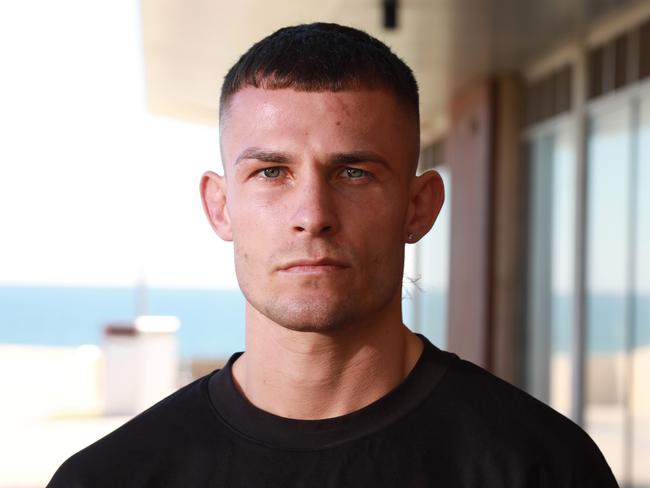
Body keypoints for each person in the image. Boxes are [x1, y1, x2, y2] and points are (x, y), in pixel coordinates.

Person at [47, 23, 618, 487]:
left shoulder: (543, 467)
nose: (313, 212)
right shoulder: (109, 477)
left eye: (353, 172)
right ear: (220, 207)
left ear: (419, 207)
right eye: (272, 172)